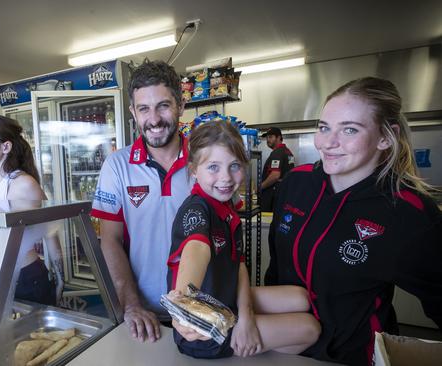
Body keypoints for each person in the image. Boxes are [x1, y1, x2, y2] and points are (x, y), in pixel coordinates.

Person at [265, 77, 442, 365]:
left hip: (355, 357)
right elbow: (275, 273)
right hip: (285, 350)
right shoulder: (296, 184)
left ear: (386, 137)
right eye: (324, 128)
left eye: (349, 129)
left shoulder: (406, 211)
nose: (328, 143)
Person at [167, 121, 320, 359]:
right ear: (194, 170)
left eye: (234, 165)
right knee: (309, 329)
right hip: (208, 329)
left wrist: (247, 316)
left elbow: (238, 265)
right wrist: (184, 307)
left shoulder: (226, 206)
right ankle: (245, 345)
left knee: (301, 298)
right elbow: (196, 249)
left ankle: (252, 338)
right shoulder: (196, 210)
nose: (226, 178)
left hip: (226, 296)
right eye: (213, 167)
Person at [91, 60, 193, 342]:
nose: (155, 119)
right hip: (143, 313)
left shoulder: (206, 161)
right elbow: (109, 239)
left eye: (163, 105)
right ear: (132, 112)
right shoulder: (116, 166)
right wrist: (131, 304)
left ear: (180, 105)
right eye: (144, 108)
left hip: (199, 310)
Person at [0, 114, 64, 305]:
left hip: (25, 275)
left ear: (5, 146)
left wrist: (60, 277)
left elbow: (49, 231)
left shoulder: (22, 184)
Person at [259, 127, 294, 212]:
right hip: (283, 195)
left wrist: (260, 187)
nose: (268, 140)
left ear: (279, 138)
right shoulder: (288, 152)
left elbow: (275, 175)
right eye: (267, 137)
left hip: (273, 196)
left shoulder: (277, 153)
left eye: (270, 137)